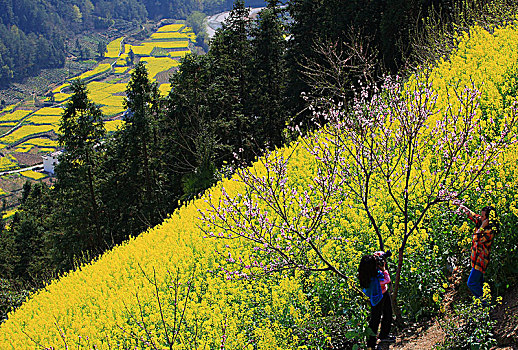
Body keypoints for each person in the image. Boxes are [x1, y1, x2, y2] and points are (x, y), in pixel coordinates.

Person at [457, 204, 498, 299]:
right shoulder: (482, 222)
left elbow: (476, 237)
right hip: (475, 260)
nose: (481, 217)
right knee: (479, 283)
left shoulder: (490, 231)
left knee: (471, 283)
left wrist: (482, 226)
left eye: (483, 216)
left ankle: (485, 302)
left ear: (488, 219)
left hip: (481, 261)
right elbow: (474, 216)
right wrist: (463, 207)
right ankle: (484, 303)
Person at [358, 252, 395, 350]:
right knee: (378, 318)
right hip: (379, 297)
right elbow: (387, 280)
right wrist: (384, 269)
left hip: (378, 295)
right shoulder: (376, 279)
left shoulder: (366, 274)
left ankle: (380, 338)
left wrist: (377, 256)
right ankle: (372, 344)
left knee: (383, 315)